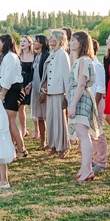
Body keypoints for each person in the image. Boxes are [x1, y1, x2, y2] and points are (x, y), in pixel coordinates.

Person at [66, 31, 103, 182]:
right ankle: (84, 167)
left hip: (80, 98)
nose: (70, 42)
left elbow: (81, 84)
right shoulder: (81, 60)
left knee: (83, 134)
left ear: (81, 42)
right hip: (78, 96)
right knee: (82, 135)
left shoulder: (83, 60)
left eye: (73, 40)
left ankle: (87, 169)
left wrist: (73, 105)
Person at [42, 29, 71, 158]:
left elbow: (67, 76)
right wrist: (44, 86)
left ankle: (64, 146)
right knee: (51, 119)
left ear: (58, 39)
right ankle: (53, 144)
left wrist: (68, 95)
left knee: (60, 120)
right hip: (50, 91)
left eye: (52, 38)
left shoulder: (62, 54)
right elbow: (48, 74)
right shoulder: (52, 54)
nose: (49, 40)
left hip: (59, 91)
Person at [0, 34, 28, 158]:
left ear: (5, 43)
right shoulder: (8, 56)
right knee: (8, 121)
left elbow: (8, 77)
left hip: (13, 90)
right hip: (10, 89)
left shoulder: (10, 57)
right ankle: (12, 147)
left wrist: (3, 94)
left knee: (11, 121)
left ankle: (21, 149)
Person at [89, 39, 109, 173]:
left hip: (96, 102)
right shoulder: (88, 64)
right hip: (89, 102)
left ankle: (102, 161)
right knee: (91, 132)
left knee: (98, 132)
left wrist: (94, 106)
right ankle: (96, 158)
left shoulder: (97, 66)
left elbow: (101, 88)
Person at [29, 35, 49, 149]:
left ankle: (52, 142)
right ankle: (43, 143)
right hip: (35, 88)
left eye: (35, 41)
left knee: (47, 116)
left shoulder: (46, 56)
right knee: (40, 117)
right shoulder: (36, 56)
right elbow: (35, 73)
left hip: (43, 89)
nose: (34, 43)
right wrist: (30, 84)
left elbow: (47, 76)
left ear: (41, 44)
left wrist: (44, 92)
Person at [18, 36, 35, 138]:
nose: (22, 43)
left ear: (29, 43)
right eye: (20, 41)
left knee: (32, 107)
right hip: (21, 82)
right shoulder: (18, 56)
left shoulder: (35, 55)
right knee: (21, 107)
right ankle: (24, 129)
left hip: (32, 81)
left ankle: (37, 129)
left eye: (24, 41)